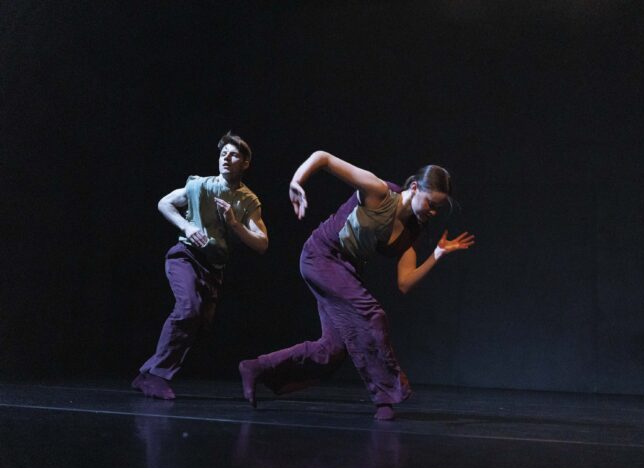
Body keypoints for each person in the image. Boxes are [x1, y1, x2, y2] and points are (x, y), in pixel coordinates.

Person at [238, 151, 474, 420]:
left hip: (346, 270)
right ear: (415, 187)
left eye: (437, 209)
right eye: (431, 204)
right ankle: (386, 398)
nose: (432, 213)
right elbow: (323, 158)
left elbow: (405, 283)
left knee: (332, 351)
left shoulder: (411, 231)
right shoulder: (378, 191)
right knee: (372, 315)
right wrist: (297, 181)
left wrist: (437, 255)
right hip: (321, 256)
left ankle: (255, 368)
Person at [132, 132, 269, 399]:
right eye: (223, 154)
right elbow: (165, 202)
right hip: (185, 256)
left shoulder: (248, 201)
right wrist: (187, 225)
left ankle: (146, 373)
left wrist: (235, 224)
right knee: (188, 309)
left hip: (213, 267)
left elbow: (262, 243)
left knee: (199, 322)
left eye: (234, 155)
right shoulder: (199, 186)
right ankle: (155, 376)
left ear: (245, 164)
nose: (227, 159)